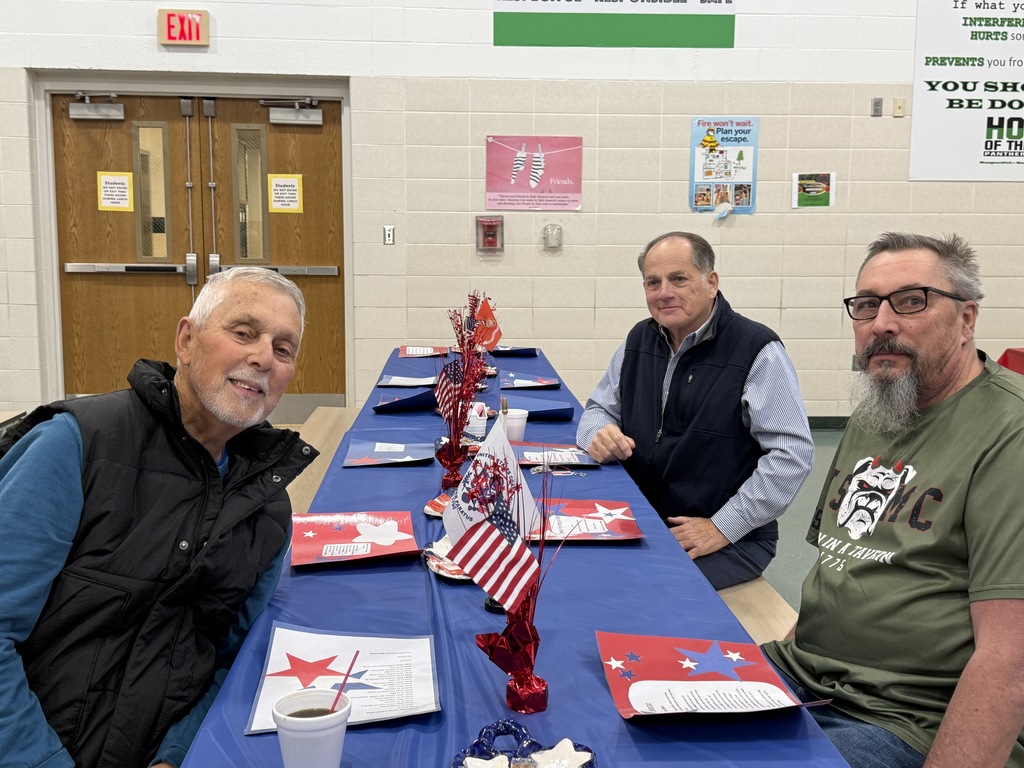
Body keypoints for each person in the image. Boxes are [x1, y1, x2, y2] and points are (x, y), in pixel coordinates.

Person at [0, 267, 319, 768]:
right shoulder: (76, 447)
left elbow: (235, 657)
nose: (263, 357)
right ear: (186, 340)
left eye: (284, 350)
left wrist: (176, 754)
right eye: (243, 333)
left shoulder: (268, 509)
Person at [763, 232, 1024, 768]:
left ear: (966, 318)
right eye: (866, 305)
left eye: (911, 300)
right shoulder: (876, 411)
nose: (881, 322)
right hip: (803, 676)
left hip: (905, 718)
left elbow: (1010, 657)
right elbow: (836, 565)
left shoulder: (1009, 433)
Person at [577, 231, 814, 589]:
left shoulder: (756, 350)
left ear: (711, 282)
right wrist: (598, 433)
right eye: (652, 282)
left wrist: (723, 526)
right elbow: (597, 409)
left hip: (724, 537)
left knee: (626, 589)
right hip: (642, 518)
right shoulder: (637, 341)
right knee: (568, 564)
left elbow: (791, 455)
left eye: (679, 279)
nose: (664, 293)